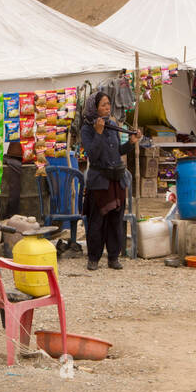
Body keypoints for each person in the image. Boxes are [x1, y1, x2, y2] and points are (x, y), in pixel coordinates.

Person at [79, 91, 139, 270]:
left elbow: (117, 151)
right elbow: (92, 154)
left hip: (116, 180)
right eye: (103, 105)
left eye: (108, 104)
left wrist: (131, 143)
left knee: (115, 220)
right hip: (99, 182)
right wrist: (98, 133)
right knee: (97, 221)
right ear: (94, 108)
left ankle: (113, 257)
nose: (107, 108)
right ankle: (94, 258)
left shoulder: (112, 125)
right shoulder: (87, 128)